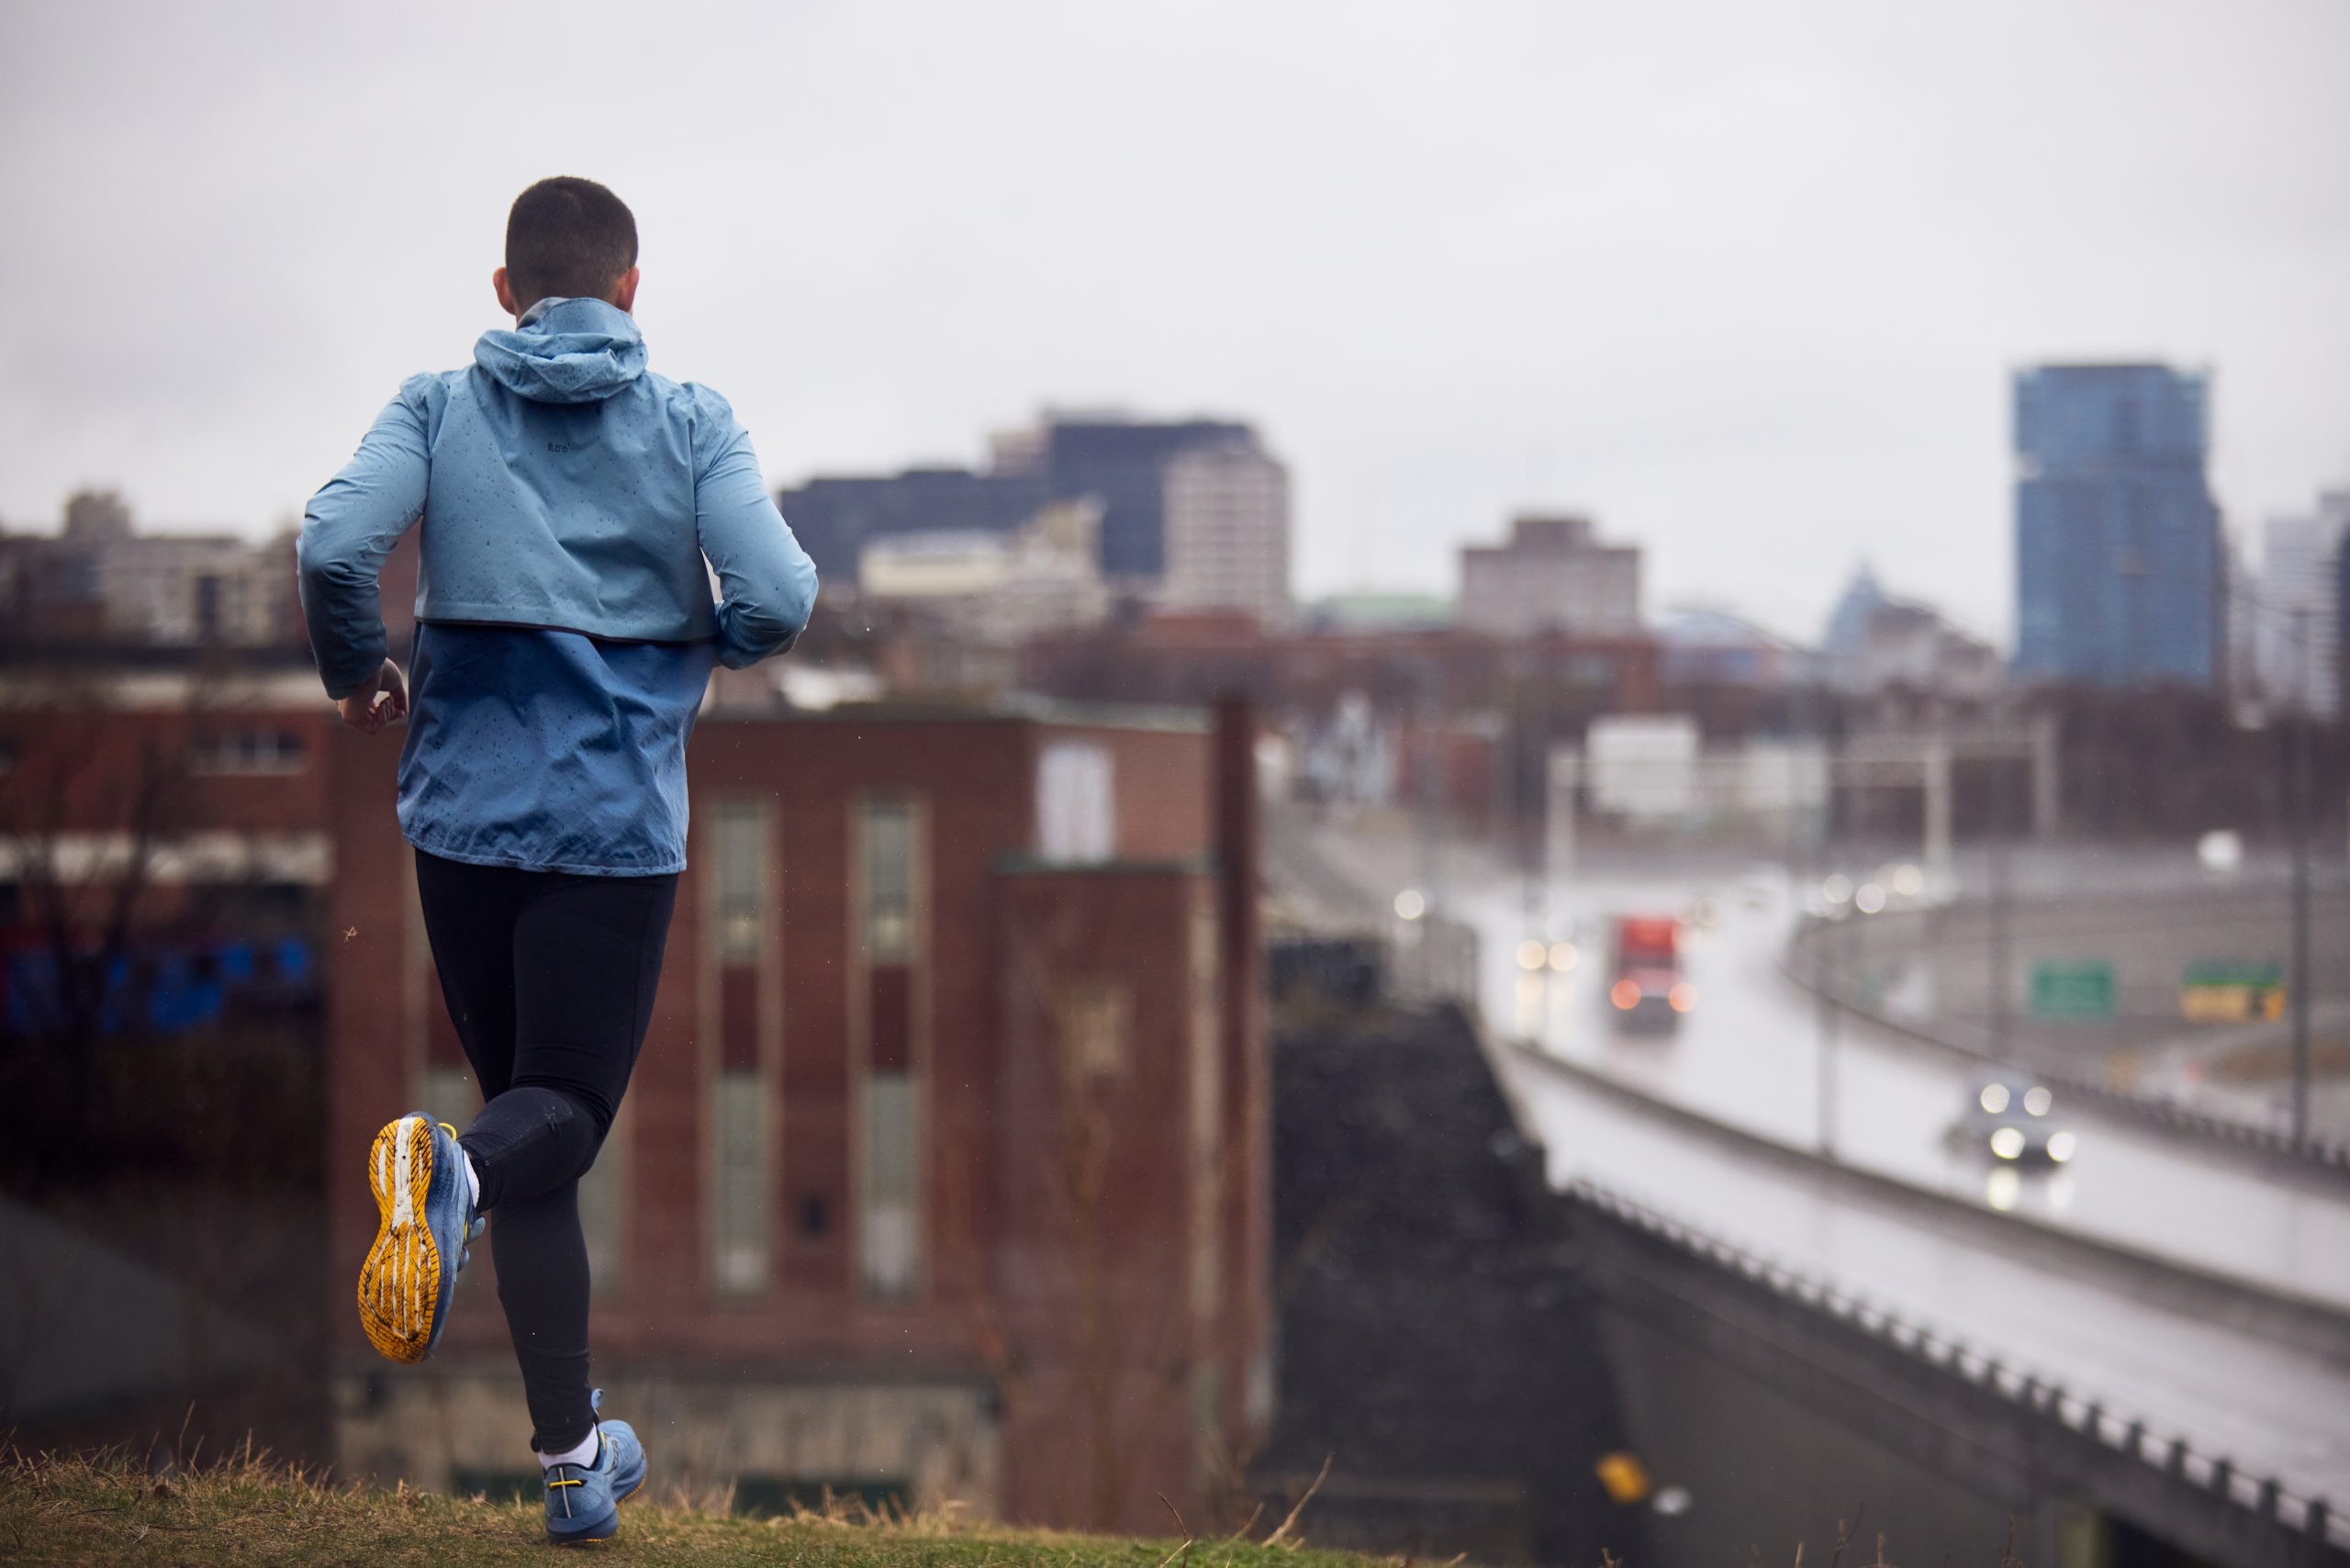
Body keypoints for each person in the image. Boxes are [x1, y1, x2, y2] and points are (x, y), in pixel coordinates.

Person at [297, 175, 816, 1546]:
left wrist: (360, 675)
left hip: (458, 824)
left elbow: (334, 543)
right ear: (633, 289)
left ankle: (576, 1463)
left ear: (506, 292)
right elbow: (783, 592)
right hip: (609, 833)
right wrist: (697, 657)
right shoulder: (694, 422)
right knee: (557, 1111)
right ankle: (451, 1175)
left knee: (530, 1127)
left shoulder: (438, 406)